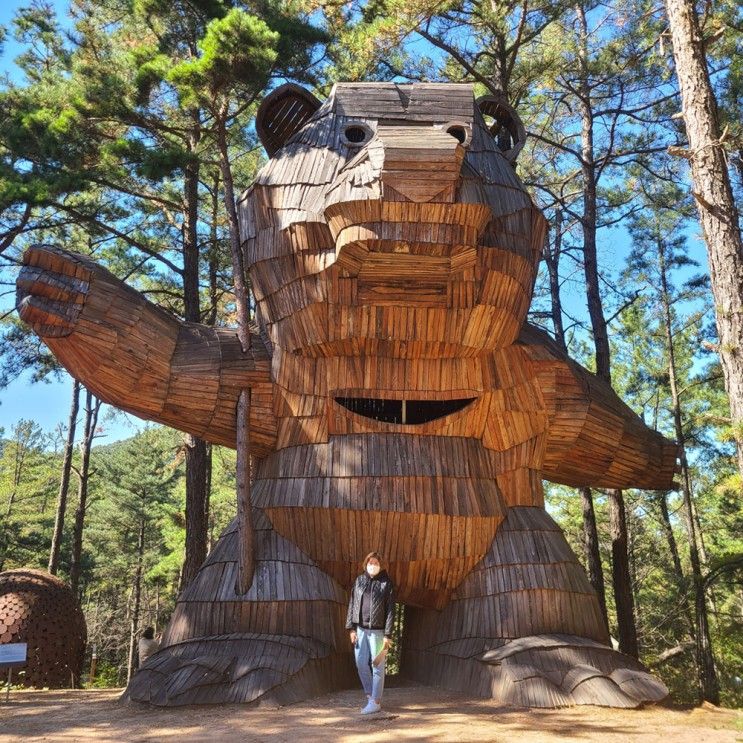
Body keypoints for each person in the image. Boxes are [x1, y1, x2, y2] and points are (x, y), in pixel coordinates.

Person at [345, 551, 395, 715]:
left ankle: (376, 701)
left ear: (381, 566)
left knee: (378, 665)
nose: (373, 565)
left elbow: (390, 610)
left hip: (378, 632)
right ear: (366, 563)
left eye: (376, 563)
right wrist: (351, 628)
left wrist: (388, 634)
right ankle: (370, 696)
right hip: (361, 629)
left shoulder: (386, 584)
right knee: (360, 663)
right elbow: (352, 603)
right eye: (370, 562)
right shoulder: (359, 581)